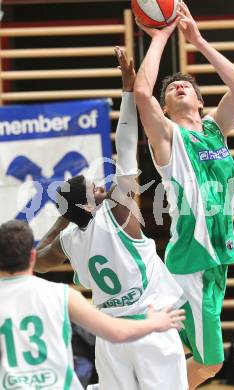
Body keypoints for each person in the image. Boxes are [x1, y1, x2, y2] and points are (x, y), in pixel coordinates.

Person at [34, 50, 188, 390]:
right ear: (91, 202)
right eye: (95, 187)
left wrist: (62, 222)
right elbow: (127, 144)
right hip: (150, 325)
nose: (102, 185)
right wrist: (128, 88)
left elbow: (36, 263)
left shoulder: (68, 241)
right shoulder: (119, 216)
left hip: (110, 337)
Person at [133, 2, 234, 388]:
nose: (178, 86)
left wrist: (198, 40)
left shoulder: (215, 130)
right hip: (192, 262)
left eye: (187, 86)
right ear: (165, 107)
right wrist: (162, 36)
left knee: (180, 353)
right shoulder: (169, 138)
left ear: (200, 102)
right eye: (171, 88)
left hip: (217, 257)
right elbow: (142, 94)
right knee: (210, 363)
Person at [0, 220, 185, 390]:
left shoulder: (69, 241)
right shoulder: (62, 294)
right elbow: (117, 332)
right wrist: (153, 323)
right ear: (31, 256)